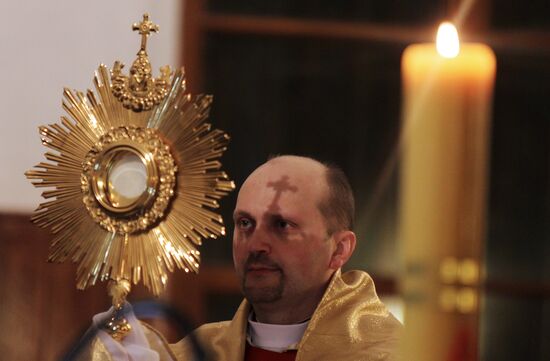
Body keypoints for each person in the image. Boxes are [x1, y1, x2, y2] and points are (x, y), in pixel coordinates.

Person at [83, 155, 402, 361]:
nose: (256, 244)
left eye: (282, 225)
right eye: (245, 223)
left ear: (340, 249)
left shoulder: (396, 353)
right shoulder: (197, 353)